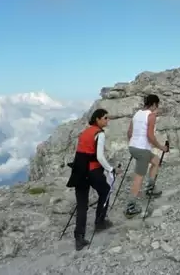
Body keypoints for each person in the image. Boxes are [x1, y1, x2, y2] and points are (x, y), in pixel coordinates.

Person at [66, 108, 115, 251]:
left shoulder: (85, 132)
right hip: (92, 170)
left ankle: (79, 237)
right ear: (98, 119)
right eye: (105, 118)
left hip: (79, 171)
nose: (107, 120)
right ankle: (99, 222)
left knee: (82, 204)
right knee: (105, 191)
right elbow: (99, 156)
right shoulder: (99, 134)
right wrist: (110, 169)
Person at [124, 94, 169, 218]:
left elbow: (129, 133)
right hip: (142, 149)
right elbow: (150, 136)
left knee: (155, 161)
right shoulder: (151, 116)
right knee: (138, 178)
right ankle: (130, 206)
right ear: (154, 104)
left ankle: (150, 188)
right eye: (157, 105)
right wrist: (161, 147)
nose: (157, 107)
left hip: (133, 147)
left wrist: (133, 145)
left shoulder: (137, 114)